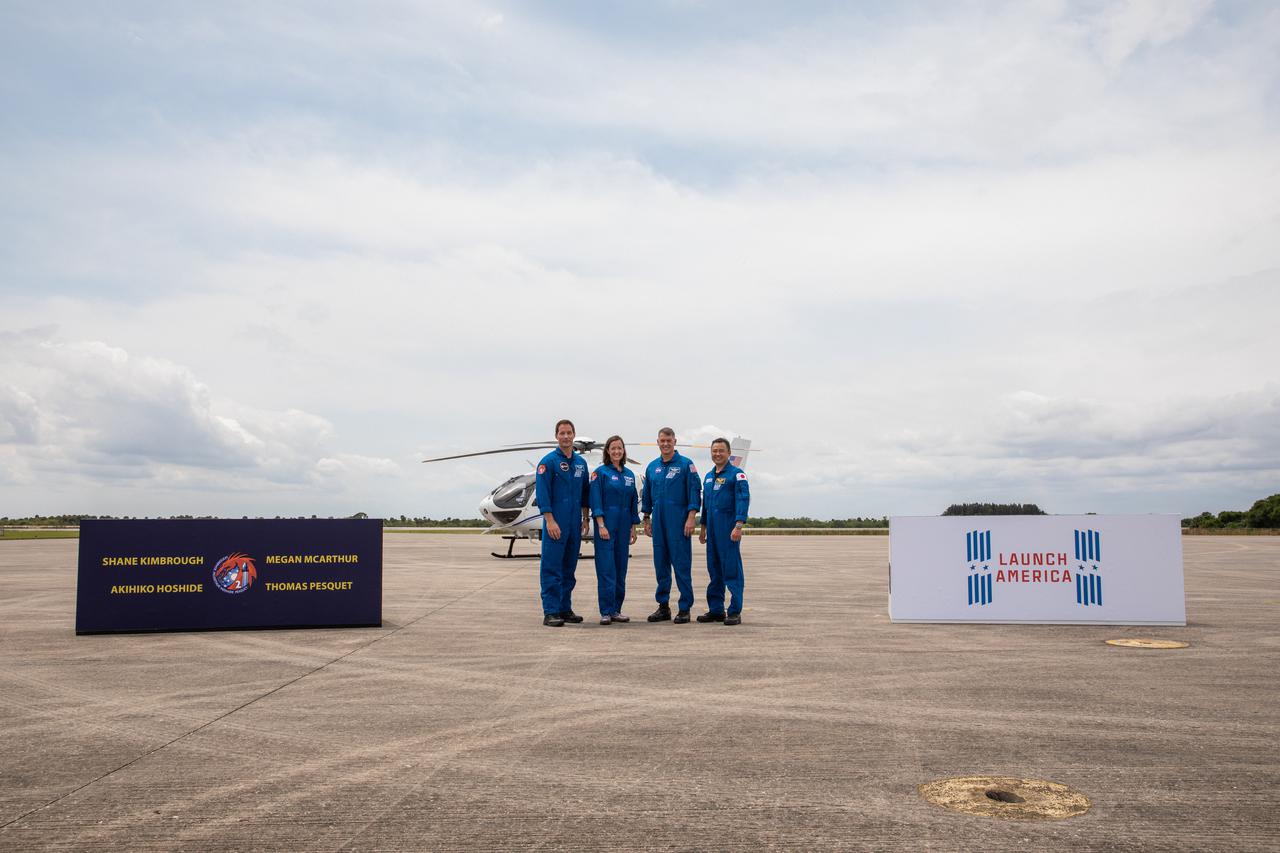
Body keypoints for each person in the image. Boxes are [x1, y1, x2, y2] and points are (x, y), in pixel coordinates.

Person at [641, 427, 701, 623]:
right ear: (657, 442)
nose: (665, 444)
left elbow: (694, 491)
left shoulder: (686, 465)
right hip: (658, 521)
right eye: (662, 441)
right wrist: (647, 518)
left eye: (669, 440)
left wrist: (691, 516)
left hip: (679, 521)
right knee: (661, 565)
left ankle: (684, 608)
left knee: (682, 565)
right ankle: (663, 606)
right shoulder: (652, 467)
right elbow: (647, 495)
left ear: (674, 441)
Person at [535, 419, 590, 626]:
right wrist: (549, 520)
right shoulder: (548, 462)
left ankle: (565, 608)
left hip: (574, 524)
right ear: (556, 436)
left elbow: (585, 494)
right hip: (555, 523)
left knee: (569, 568)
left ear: (574, 435)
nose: (565, 437)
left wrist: (585, 518)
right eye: (562, 433)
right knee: (551, 567)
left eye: (569, 433)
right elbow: (543, 494)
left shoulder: (580, 464)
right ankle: (550, 611)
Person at [697, 437, 750, 625]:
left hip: (728, 529)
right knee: (715, 571)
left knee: (732, 571)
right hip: (711, 530)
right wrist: (702, 528)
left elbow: (743, 499)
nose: (717, 454)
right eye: (714, 451)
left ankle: (735, 610)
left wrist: (738, 525)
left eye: (721, 451)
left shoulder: (737, 474)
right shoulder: (708, 477)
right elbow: (706, 506)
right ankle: (716, 609)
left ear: (728, 453)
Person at [589, 435, 641, 625]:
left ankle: (617, 609)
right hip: (606, 526)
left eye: (620, 448)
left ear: (623, 451)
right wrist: (601, 524)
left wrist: (633, 528)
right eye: (613, 448)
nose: (617, 451)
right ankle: (606, 611)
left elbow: (633, 502)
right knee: (606, 569)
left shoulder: (629, 475)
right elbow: (596, 500)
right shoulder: (600, 473)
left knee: (621, 569)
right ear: (608, 451)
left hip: (624, 526)